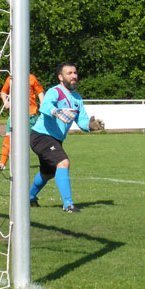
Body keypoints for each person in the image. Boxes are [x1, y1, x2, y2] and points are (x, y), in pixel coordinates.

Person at [29, 63, 99, 213]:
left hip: (55, 139)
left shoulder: (77, 99)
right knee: (63, 162)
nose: (74, 76)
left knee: (47, 173)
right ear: (61, 77)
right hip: (41, 136)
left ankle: (29, 197)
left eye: (75, 73)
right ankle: (68, 205)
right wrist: (56, 111)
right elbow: (44, 106)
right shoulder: (55, 92)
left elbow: (82, 121)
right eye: (69, 73)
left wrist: (90, 126)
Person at [0, 72, 46, 171]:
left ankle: (45, 161)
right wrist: (6, 102)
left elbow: (40, 92)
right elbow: (3, 92)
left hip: (29, 115)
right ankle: (2, 163)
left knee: (34, 141)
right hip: (14, 114)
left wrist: (43, 105)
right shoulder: (10, 78)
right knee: (8, 137)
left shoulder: (31, 78)